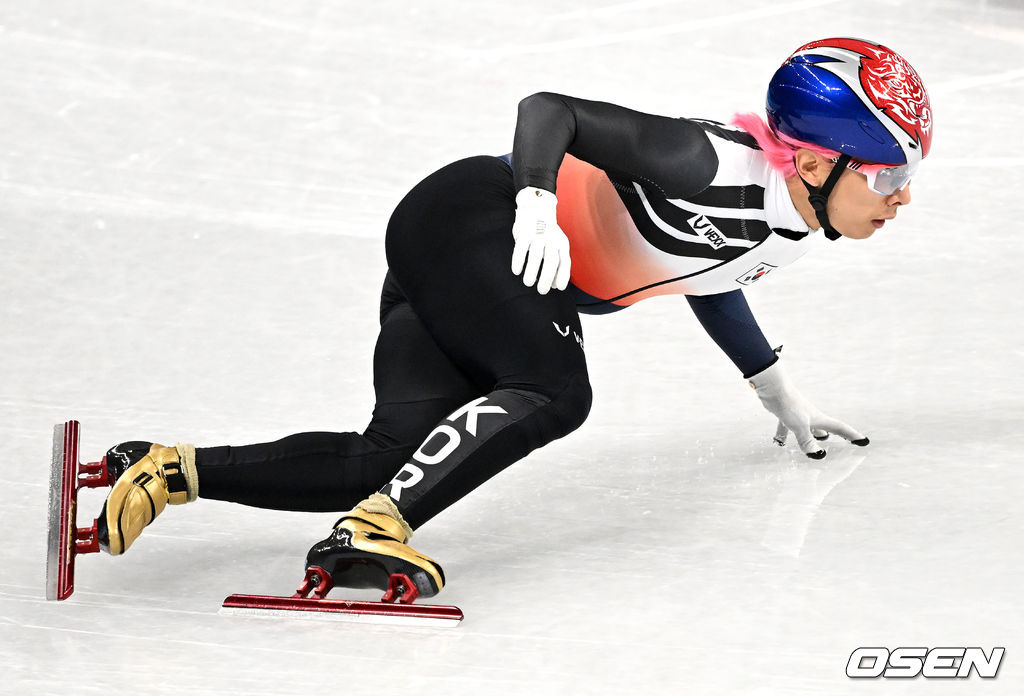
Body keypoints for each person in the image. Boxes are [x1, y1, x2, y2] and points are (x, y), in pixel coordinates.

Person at [92, 38, 932, 599]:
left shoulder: (796, 227)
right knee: (556, 388)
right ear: (817, 160)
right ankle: (377, 531)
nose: (900, 200)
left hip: (471, 270)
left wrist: (773, 386)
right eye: (888, 178)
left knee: (384, 458)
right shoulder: (706, 158)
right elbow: (548, 109)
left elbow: (709, 277)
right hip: (471, 218)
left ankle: (167, 470)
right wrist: (535, 201)